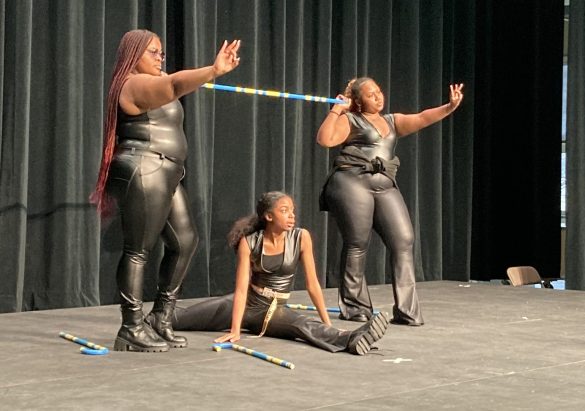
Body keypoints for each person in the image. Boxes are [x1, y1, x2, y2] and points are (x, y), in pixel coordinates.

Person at [91, 29, 241, 352]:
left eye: (162, 53)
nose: (160, 58)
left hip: (167, 170)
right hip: (144, 167)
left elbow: (171, 86)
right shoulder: (131, 84)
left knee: (185, 242)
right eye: (153, 52)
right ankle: (130, 327)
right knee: (137, 249)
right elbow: (174, 85)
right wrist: (213, 71)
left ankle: (160, 316)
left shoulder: (151, 83)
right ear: (133, 56)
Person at [316, 77, 464, 326]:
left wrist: (449, 107)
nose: (378, 96)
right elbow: (325, 139)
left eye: (379, 91)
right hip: (352, 181)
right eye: (370, 94)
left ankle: (407, 311)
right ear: (359, 101)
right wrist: (337, 109)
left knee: (403, 239)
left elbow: (422, 117)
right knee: (357, 242)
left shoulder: (391, 122)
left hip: (384, 184)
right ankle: (355, 307)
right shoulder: (350, 119)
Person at [172, 191, 389, 355]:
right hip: (244, 303)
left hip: (272, 310)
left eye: (292, 210)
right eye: (284, 210)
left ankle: (350, 338)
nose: (291, 216)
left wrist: (327, 323)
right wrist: (235, 330)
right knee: (179, 319)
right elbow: (240, 290)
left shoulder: (301, 237)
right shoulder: (249, 243)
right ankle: (147, 320)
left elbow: (313, 285)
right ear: (268, 216)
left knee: (301, 324)